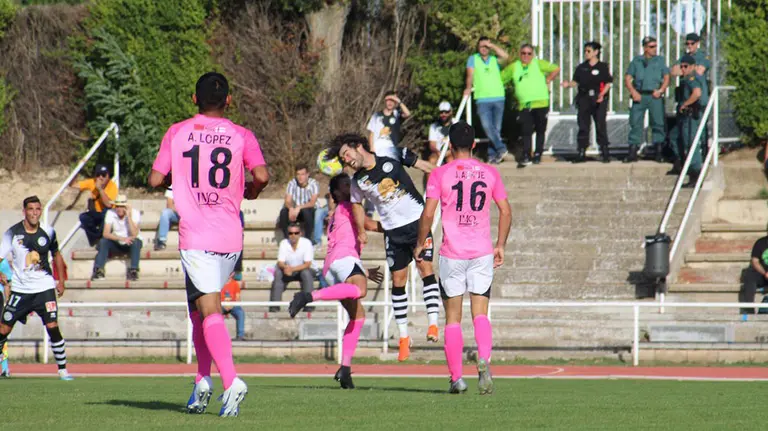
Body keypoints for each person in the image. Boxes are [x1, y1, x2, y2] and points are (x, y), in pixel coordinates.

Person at [148, 71, 269, 417]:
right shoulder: (242, 134)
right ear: (229, 101)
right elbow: (261, 175)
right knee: (198, 307)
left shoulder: (177, 131)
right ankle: (201, 382)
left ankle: (231, 382)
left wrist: (176, 177)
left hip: (197, 233)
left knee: (208, 308)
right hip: (231, 234)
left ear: (193, 99)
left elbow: (156, 178)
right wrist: (252, 191)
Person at [415, 121, 512, 394]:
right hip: (481, 252)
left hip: (452, 254)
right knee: (480, 313)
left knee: (453, 319)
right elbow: (506, 211)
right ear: (473, 144)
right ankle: (483, 359)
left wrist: (421, 243)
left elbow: (428, 214)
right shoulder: (490, 173)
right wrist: (500, 244)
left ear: (449, 144)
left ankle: (457, 378)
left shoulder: (439, 174)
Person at [325, 134, 441, 362]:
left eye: (346, 154)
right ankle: (404, 338)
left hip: (418, 222)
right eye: (342, 159)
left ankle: (434, 324)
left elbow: (425, 166)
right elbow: (357, 206)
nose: (346, 160)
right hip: (393, 232)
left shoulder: (390, 153)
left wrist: (439, 176)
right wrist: (360, 230)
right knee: (398, 281)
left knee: (425, 268)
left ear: (358, 147)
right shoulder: (358, 181)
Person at [288, 174, 384, 389]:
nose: (349, 187)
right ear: (335, 194)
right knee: (360, 290)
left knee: (358, 316)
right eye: (345, 186)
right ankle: (307, 296)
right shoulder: (348, 206)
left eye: (350, 184)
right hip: (344, 260)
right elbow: (368, 224)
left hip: (333, 266)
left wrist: (363, 271)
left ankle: (345, 369)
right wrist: (397, 228)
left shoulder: (338, 211)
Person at [0, 196, 74, 381]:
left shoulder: (48, 231)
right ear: (24, 211)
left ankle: (63, 370)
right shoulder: (12, 233)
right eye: (31, 209)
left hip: (44, 288)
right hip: (21, 290)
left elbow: (56, 255)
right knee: (3, 329)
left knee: (52, 325)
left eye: (37, 209)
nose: (34, 213)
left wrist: (61, 280)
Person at [501, 43, 560, 167]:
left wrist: (548, 79)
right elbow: (500, 79)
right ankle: (527, 154)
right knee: (526, 131)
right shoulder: (514, 67)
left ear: (532, 55)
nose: (526, 56)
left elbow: (556, 68)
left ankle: (538, 153)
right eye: (523, 53)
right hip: (525, 105)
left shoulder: (538, 63)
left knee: (540, 130)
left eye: (529, 53)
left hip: (541, 102)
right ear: (519, 54)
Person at [561, 42, 613, 163]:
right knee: (583, 125)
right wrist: (568, 84)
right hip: (584, 98)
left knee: (600, 124)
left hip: (599, 98)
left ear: (596, 52)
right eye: (585, 51)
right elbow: (575, 82)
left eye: (589, 51)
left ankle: (604, 151)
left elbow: (608, 83)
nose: (586, 53)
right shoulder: (581, 67)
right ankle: (581, 152)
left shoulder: (603, 67)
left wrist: (602, 94)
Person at [669, 33, 711, 174]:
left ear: (697, 43)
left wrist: (688, 70)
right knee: (679, 135)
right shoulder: (683, 58)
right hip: (686, 103)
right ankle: (683, 163)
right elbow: (673, 71)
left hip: (695, 105)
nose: (689, 46)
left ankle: (697, 167)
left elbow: (700, 71)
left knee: (697, 135)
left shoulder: (702, 58)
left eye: (692, 43)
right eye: (687, 44)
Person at [464, 37, 510, 164]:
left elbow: (506, 57)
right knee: (487, 126)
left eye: (486, 46)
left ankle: (492, 155)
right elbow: (470, 75)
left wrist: (492, 45)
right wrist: (468, 88)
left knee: (496, 129)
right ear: (477, 48)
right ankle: (501, 148)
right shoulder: (473, 59)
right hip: (482, 98)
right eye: (481, 46)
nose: (484, 49)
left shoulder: (494, 59)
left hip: (498, 97)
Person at [624, 36, 670, 163]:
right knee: (635, 122)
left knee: (658, 123)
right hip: (640, 95)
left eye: (656, 46)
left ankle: (659, 151)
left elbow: (666, 77)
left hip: (654, 95)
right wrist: (633, 92)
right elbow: (628, 78)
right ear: (645, 48)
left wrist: (661, 90)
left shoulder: (660, 60)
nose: (654, 49)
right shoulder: (637, 61)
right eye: (651, 47)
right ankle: (633, 151)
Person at [674, 55, 708, 187]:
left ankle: (695, 175)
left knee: (691, 143)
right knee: (688, 142)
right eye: (681, 66)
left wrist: (685, 104)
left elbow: (697, 93)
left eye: (685, 66)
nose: (683, 69)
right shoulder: (691, 78)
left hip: (691, 115)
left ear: (693, 66)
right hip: (692, 114)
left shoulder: (691, 79)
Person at [91, 195, 142, 281]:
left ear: (126, 207)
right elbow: (106, 233)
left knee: (136, 241)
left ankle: (134, 270)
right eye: (117, 206)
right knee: (104, 242)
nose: (119, 209)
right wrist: (122, 239)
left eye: (121, 206)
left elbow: (134, 234)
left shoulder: (135, 213)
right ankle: (99, 270)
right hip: (117, 241)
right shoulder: (110, 213)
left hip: (131, 242)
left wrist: (129, 217)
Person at [269, 223, 315, 313]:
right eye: (290, 233)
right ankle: (274, 306)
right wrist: (286, 268)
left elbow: (307, 264)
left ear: (300, 233)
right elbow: (280, 262)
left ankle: (309, 305)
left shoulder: (306, 243)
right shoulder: (284, 243)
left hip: (304, 270)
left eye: (296, 233)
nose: (293, 235)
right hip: (289, 270)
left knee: (306, 273)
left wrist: (291, 269)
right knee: (278, 272)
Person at [71, 164, 118, 246]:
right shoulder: (92, 182)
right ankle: (96, 238)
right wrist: (76, 172)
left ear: (108, 176)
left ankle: (100, 238)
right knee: (83, 217)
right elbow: (73, 185)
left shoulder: (112, 186)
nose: (100, 177)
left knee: (107, 212)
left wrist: (100, 189)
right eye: (98, 175)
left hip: (108, 213)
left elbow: (108, 205)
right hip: (96, 213)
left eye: (103, 175)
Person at [279, 164, 319, 242]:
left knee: (306, 211)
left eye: (303, 174)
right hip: (296, 211)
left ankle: (308, 240)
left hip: (310, 210)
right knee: (283, 212)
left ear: (307, 174)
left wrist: (299, 207)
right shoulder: (292, 183)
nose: (300, 177)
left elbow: (312, 203)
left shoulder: (313, 183)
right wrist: (290, 208)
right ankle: (287, 240)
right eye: (298, 174)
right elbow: (287, 200)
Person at [367, 91, 411, 159]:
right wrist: (372, 148)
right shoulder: (376, 115)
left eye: (392, 100)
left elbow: (408, 114)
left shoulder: (396, 115)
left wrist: (399, 101)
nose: (390, 103)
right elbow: (371, 133)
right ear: (385, 101)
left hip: (391, 151)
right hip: (377, 150)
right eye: (388, 100)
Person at [740, 233, 768, 314]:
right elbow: (755, 261)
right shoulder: (760, 242)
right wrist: (765, 273)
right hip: (763, 275)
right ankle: (749, 310)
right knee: (749, 276)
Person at [427, 101, 457, 168]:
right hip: (438, 152)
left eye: (446, 112)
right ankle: (431, 178)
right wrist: (438, 152)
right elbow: (432, 145)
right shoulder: (433, 126)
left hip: (452, 151)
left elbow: (459, 142)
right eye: (441, 112)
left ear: (451, 112)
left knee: (451, 160)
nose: (443, 114)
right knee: (431, 161)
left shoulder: (456, 123)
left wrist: (449, 152)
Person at [221, 274, 246, 341]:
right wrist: (224, 305)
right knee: (215, 313)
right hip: (221, 305)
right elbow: (216, 297)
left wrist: (231, 305)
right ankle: (219, 336)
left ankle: (240, 335)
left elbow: (237, 297)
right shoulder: (219, 283)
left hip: (233, 305)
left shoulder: (235, 283)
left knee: (240, 313)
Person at [154, 186, 178, 250]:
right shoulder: (172, 186)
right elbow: (169, 205)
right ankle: (161, 240)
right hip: (177, 213)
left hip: (191, 214)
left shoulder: (194, 185)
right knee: (165, 212)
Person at [0, 259, 11, 377]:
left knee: (1, 333)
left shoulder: (2, 261)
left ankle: (4, 367)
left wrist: (7, 303)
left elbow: (7, 283)